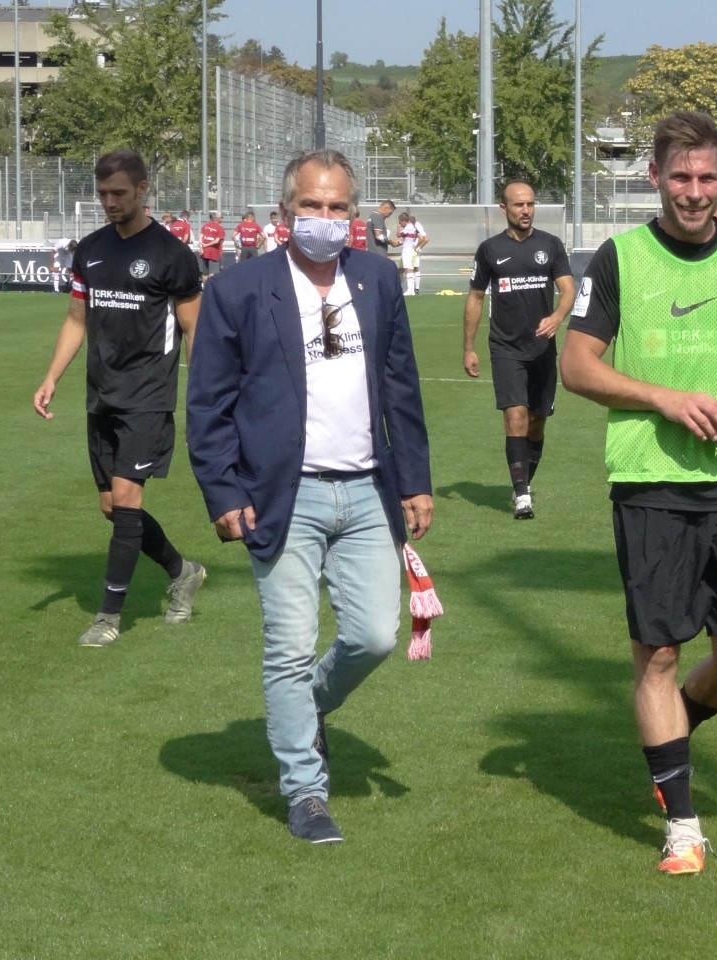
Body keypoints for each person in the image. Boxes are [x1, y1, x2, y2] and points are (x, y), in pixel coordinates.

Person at [560, 111, 717, 876]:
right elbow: (577, 366)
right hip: (650, 480)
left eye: (706, 178)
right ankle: (681, 824)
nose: (694, 193)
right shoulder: (620, 259)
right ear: (655, 178)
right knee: (659, 653)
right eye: (679, 177)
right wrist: (665, 400)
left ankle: (671, 732)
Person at [187, 149, 433, 846]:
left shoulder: (378, 279)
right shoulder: (238, 290)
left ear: (354, 214)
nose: (325, 218)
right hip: (281, 496)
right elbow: (207, 405)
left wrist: (415, 479)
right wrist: (223, 491)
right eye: (311, 206)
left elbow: (402, 387)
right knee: (289, 649)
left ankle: (307, 708)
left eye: (337, 207)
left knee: (374, 636)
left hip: (367, 490)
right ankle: (305, 792)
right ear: (284, 212)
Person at [32, 148, 206, 648]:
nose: (109, 202)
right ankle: (183, 571)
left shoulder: (173, 255)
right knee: (113, 507)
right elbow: (76, 319)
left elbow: (195, 330)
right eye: (103, 194)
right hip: (101, 395)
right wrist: (51, 378)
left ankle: (108, 617)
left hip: (148, 396)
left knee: (128, 499)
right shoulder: (90, 249)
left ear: (143, 189)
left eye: (119, 193)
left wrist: (201, 401)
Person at [463, 181, 576, 519]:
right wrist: (468, 348)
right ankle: (522, 494)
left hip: (542, 349)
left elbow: (568, 289)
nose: (526, 210)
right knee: (515, 416)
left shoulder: (550, 245)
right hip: (505, 346)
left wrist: (557, 317)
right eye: (518, 205)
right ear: (504, 208)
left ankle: (523, 482)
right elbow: (475, 297)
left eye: (530, 204)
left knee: (536, 423)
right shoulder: (489, 250)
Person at [398, 211, 428, 296]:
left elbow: (425, 238)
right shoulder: (413, 227)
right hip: (411, 250)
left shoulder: (414, 226)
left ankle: (412, 289)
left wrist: (417, 248)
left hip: (411, 251)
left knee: (410, 268)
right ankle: (414, 288)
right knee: (406, 268)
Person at [199, 211, 226, 280]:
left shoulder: (205, 225)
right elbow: (217, 241)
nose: (222, 219)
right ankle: (210, 286)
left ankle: (205, 286)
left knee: (205, 273)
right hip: (213, 252)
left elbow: (200, 238)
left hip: (204, 252)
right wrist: (206, 245)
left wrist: (201, 248)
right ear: (217, 218)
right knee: (212, 273)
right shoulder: (220, 228)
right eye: (221, 217)